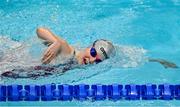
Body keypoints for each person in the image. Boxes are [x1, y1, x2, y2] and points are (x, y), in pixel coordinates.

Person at [0, 27, 178, 79]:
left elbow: (128, 57)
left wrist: (157, 60)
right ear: (89, 46)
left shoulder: (80, 62)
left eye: (98, 60)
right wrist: (55, 42)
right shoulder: (68, 51)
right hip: (13, 62)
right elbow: (40, 30)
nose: (92, 59)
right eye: (93, 52)